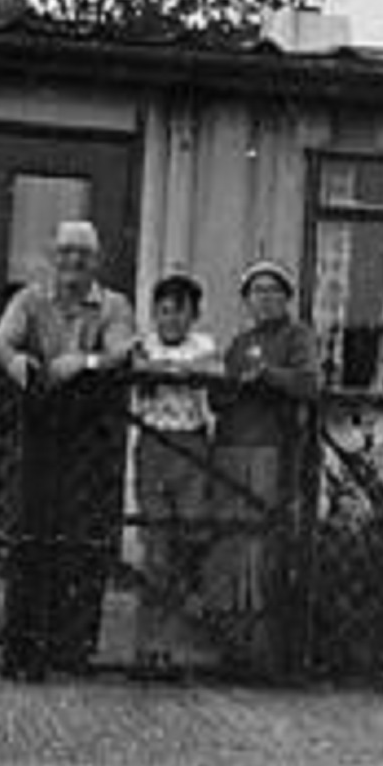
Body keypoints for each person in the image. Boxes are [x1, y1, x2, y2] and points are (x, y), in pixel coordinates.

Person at [0, 219, 136, 679]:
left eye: (84, 254)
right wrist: (17, 362)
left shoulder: (114, 305)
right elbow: (0, 340)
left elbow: (120, 351)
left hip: (90, 434)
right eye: (67, 251)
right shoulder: (30, 298)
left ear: (97, 262)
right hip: (38, 426)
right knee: (29, 537)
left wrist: (84, 361)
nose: (74, 261)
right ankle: (22, 651)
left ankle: (72, 651)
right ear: (54, 256)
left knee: (81, 541)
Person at [204, 259, 319, 672]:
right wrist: (233, 384)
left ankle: (261, 651)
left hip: (271, 451)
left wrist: (267, 375)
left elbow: (308, 383)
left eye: (273, 290)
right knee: (229, 543)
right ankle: (228, 644)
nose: (265, 297)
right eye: (257, 290)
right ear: (246, 300)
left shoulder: (298, 335)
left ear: (287, 297)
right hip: (231, 448)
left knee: (261, 545)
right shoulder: (239, 342)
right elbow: (219, 397)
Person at [128, 272, 223, 679]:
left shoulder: (203, 346)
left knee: (190, 540)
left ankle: (176, 644)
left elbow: (206, 368)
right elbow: (139, 368)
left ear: (193, 316)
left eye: (179, 312)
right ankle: (148, 648)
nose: (170, 320)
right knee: (157, 548)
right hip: (154, 445)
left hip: (192, 446)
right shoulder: (142, 344)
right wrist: (163, 368)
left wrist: (165, 369)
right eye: (163, 311)